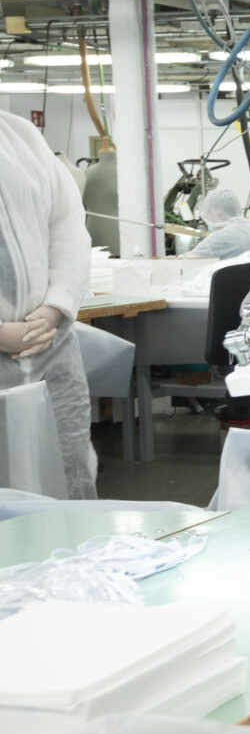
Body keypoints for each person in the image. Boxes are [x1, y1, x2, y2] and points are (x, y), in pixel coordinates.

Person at [0, 110, 97, 498]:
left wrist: (56, 306)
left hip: (49, 346)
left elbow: (68, 225)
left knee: (67, 470)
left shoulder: (20, 135)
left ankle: (71, 556)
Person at [185, 188, 250, 259]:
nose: (207, 217)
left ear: (217, 212)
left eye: (208, 212)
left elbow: (187, 261)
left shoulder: (219, 237)